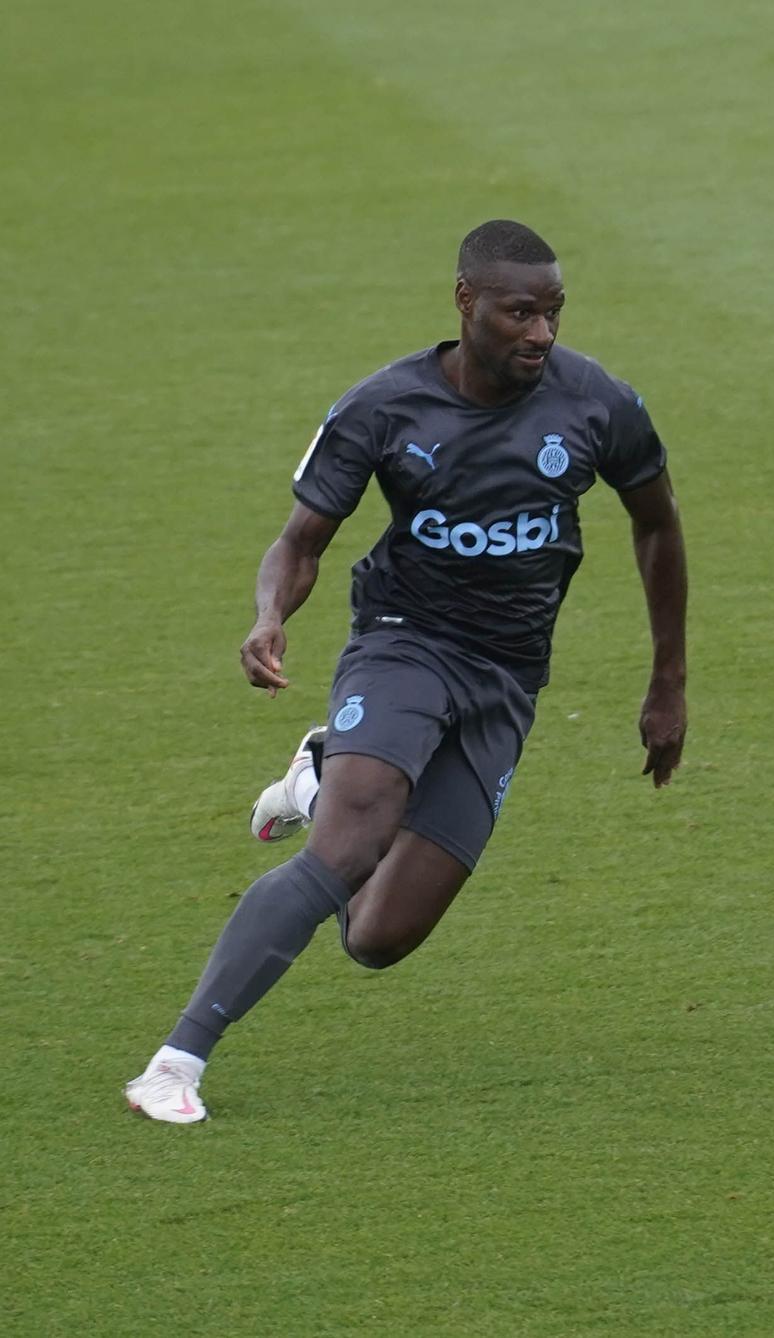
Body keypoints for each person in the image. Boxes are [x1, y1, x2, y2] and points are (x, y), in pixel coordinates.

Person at [122, 220, 689, 1124]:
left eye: (553, 313)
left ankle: (315, 783)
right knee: (348, 846)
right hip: (404, 642)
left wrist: (669, 682)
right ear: (467, 303)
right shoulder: (384, 409)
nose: (542, 333)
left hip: (507, 679)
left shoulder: (598, 405)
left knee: (379, 936)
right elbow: (300, 541)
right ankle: (177, 1061)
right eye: (520, 313)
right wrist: (270, 618)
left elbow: (657, 523)